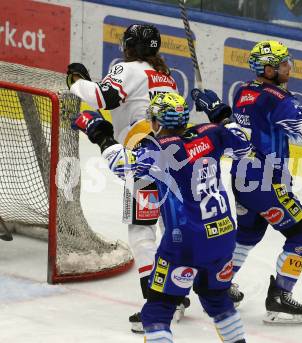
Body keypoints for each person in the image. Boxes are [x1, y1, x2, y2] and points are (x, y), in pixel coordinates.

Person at [192, 40, 302, 324]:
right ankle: (279, 297)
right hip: (268, 181)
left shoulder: (244, 91)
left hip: (243, 179)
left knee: (248, 235)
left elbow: (236, 125)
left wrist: (216, 109)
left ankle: (219, 285)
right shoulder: (279, 99)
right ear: (267, 69)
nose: (288, 67)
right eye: (282, 63)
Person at [72, 92, 249, 342]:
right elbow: (244, 143)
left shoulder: (158, 149)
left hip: (183, 242)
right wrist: (222, 115)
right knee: (218, 301)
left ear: (157, 122)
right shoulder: (211, 132)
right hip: (222, 236)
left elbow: (124, 167)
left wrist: (100, 134)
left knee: (158, 311)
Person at [65, 23, 189, 332]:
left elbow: (102, 98)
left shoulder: (128, 69)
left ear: (128, 45)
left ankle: (161, 304)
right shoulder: (166, 75)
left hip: (145, 157)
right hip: (174, 153)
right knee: (169, 224)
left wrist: (77, 82)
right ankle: (178, 292)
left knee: (141, 231)